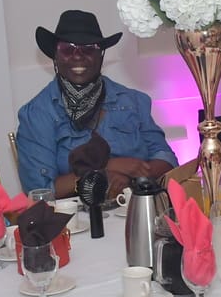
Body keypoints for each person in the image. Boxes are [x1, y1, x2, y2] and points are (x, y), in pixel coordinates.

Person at [17, 10, 177, 197]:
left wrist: (134, 176)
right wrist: (101, 172)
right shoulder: (37, 114)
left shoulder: (133, 101)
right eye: (68, 49)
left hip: (135, 208)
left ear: (101, 55)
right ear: (55, 55)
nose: (78, 56)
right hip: (74, 221)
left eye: (88, 49)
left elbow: (167, 159)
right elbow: (40, 192)